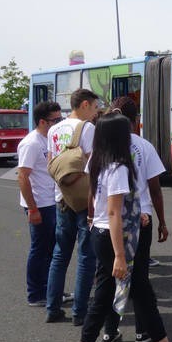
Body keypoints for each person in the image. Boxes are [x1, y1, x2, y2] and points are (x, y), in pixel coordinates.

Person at [69, 112, 172, 342]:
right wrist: (119, 255)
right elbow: (115, 212)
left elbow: (103, 203)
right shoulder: (119, 167)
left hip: (101, 233)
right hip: (118, 240)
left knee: (104, 295)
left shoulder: (98, 160)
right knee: (143, 295)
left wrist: (132, 212)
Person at [101, 97, 168, 342]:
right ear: (135, 120)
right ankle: (142, 332)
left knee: (108, 278)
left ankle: (109, 331)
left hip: (108, 222)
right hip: (142, 218)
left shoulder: (102, 147)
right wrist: (162, 221)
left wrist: (90, 215)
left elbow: (90, 190)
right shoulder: (144, 146)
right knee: (140, 277)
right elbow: (155, 190)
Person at [45, 89, 100, 325]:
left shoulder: (54, 129)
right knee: (86, 255)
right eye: (95, 106)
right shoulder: (87, 129)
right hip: (83, 199)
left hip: (61, 197)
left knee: (59, 255)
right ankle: (80, 312)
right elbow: (94, 165)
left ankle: (52, 307)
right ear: (85, 105)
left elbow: (51, 163)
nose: (97, 111)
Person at [18, 100, 63, 307]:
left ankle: (50, 290)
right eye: (57, 119)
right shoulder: (32, 143)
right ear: (43, 121)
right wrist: (33, 208)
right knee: (40, 249)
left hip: (51, 201)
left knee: (51, 250)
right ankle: (36, 293)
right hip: (39, 204)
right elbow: (23, 176)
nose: (60, 122)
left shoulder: (50, 139)